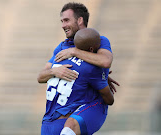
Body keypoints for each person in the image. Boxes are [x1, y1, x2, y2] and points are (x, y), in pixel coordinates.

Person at [37, 2, 119, 134]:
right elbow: (40, 76)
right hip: (52, 116)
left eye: (66, 20)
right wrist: (54, 71)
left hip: (79, 111)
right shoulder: (62, 46)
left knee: (70, 128)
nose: (63, 25)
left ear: (80, 20)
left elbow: (105, 61)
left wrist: (75, 51)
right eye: (62, 21)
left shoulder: (99, 40)